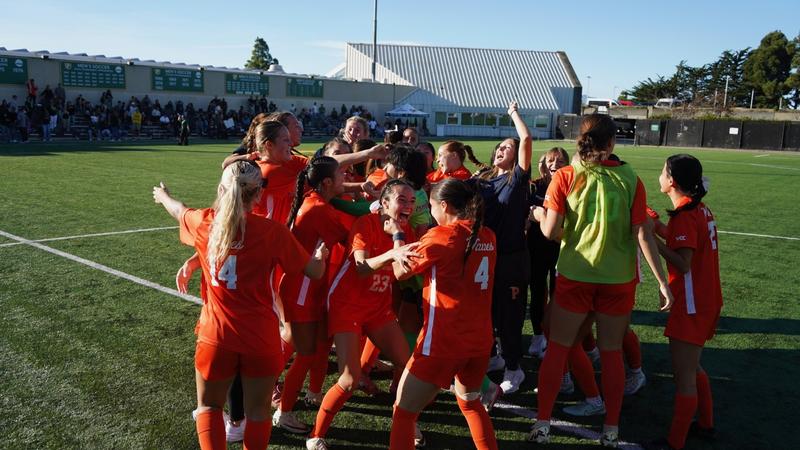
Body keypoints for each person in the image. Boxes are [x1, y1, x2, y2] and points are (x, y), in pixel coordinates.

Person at [152, 160, 329, 450]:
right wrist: (320, 255)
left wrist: (163, 197)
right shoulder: (272, 232)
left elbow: (179, 210)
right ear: (258, 195)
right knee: (258, 414)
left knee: (209, 407)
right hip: (260, 338)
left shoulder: (204, 222)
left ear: (221, 190)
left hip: (215, 337)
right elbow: (314, 271)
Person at [528, 114, 674, 447]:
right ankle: (610, 430)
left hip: (576, 274)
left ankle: (543, 423)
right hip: (618, 280)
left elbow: (550, 231)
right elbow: (642, 234)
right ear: (612, 143)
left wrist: (542, 218)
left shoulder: (565, 176)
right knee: (610, 354)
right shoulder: (630, 178)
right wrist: (662, 282)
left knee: (558, 349)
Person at [306, 180, 420, 450]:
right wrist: (394, 250)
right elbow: (361, 268)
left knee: (410, 367)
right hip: (348, 305)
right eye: (402, 200)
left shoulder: (407, 231)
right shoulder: (366, 224)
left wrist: (399, 242)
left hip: (378, 307)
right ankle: (316, 434)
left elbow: (406, 271)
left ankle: (407, 421)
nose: (408, 206)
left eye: (412, 202)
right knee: (348, 380)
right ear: (385, 203)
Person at [389, 178, 499, 450]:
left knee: (403, 412)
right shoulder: (487, 234)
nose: (429, 212)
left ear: (445, 205)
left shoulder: (443, 236)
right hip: (480, 343)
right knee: (471, 403)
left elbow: (400, 271)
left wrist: (396, 233)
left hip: (443, 343)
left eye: (431, 206)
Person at [646, 155, 721, 450]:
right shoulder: (698, 209)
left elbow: (683, 261)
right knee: (695, 367)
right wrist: (660, 226)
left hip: (692, 304)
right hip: (705, 299)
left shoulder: (685, 215)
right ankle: (706, 424)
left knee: (684, 375)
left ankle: (674, 442)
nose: (660, 175)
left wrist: (654, 241)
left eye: (663, 171)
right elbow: (685, 240)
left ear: (672, 181)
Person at [273, 156, 350, 435]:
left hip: (304, 288)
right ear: (327, 182)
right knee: (304, 354)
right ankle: (283, 412)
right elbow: (350, 238)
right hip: (302, 291)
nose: (346, 179)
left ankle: (306, 395)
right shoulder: (319, 209)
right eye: (342, 176)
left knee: (313, 349)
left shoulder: (313, 200)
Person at [478, 101, 532, 394]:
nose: (501, 150)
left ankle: (514, 368)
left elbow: (525, 139)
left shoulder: (517, 180)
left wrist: (513, 113)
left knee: (509, 316)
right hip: (485, 258)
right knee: (487, 313)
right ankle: (494, 357)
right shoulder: (484, 180)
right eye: (499, 147)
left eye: (507, 148)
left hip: (511, 259)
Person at [526, 147, 569, 358]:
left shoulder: (572, 188)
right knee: (537, 292)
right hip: (537, 248)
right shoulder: (534, 187)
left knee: (559, 296)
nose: (554, 165)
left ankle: (556, 339)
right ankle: (537, 336)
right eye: (551, 161)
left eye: (560, 162)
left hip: (562, 249)